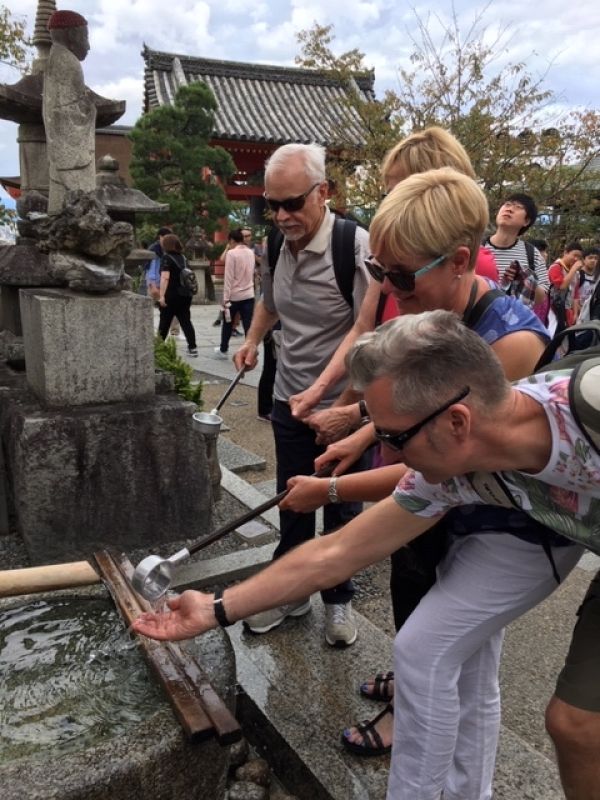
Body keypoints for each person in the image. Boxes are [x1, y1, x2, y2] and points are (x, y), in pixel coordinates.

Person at [133, 306, 597, 800]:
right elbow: (335, 554)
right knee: (574, 725)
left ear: (457, 421)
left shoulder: (586, 409)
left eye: (392, 436)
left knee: (576, 725)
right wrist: (216, 608)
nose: (388, 454)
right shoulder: (458, 469)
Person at [281, 166, 577, 766]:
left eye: (397, 274)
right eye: (377, 271)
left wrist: (333, 485)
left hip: (508, 525)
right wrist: (363, 429)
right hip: (458, 505)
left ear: (461, 260)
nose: (387, 288)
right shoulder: (436, 317)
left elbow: (444, 466)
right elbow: (414, 411)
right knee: (454, 663)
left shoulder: (507, 343)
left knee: (447, 658)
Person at [233, 142, 371, 647]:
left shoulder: (353, 247)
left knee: (338, 502)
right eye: (273, 205)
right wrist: (250, 340)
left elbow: (368, 330)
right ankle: (291, 592)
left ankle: (338, 599)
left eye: (293, 203)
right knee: (291, 498)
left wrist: (343, 409)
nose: (282, 215)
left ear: (324, 192)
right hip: (291, 396)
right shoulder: (275, 243)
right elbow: (270, 302)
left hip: (340, 405)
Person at [43, 10, 96, 216]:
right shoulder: (68, 63)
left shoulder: (56, 59)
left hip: (58, 151)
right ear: (73, 35)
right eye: (85, 37)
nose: (88, 46)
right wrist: (90, 107)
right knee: (79, 207)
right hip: (69, 156)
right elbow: (66, 114)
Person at [483, 194, 549, 307]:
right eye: (507, 204)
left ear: (526, 221)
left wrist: (525, 279)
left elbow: (541, 298)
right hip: (477, 320)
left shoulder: (532, 253)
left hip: (514, 322)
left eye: (518, 207)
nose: (509, 209)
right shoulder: (477, 247)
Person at [213, 229, 256, 359]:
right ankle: (250, 351)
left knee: (227, 323)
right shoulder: (250, 252)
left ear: (231, 240)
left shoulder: (232, 253)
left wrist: (225, 299)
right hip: (249, 293)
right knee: (248, 324)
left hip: (234, 295)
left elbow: (229, 278)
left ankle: (223, 349)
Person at [158, 234, 198, 356]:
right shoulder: (183, 258)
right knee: (186, 321)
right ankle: (192, 347)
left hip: (171, 295)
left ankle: (158, 347)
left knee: (165, 322)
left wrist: (161, 296)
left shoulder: (166, 258)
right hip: (185, 295)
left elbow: (165, 277)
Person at [548, 241, 584, 332]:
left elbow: (575, 294)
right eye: (574, 255)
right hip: (553, 310)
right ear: (565, 253)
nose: (576, 259)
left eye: (579, 257)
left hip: (568, 310)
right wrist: (574, 269)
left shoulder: (575, 273)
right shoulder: (555, 267)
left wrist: (575, 313)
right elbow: (561, 286)